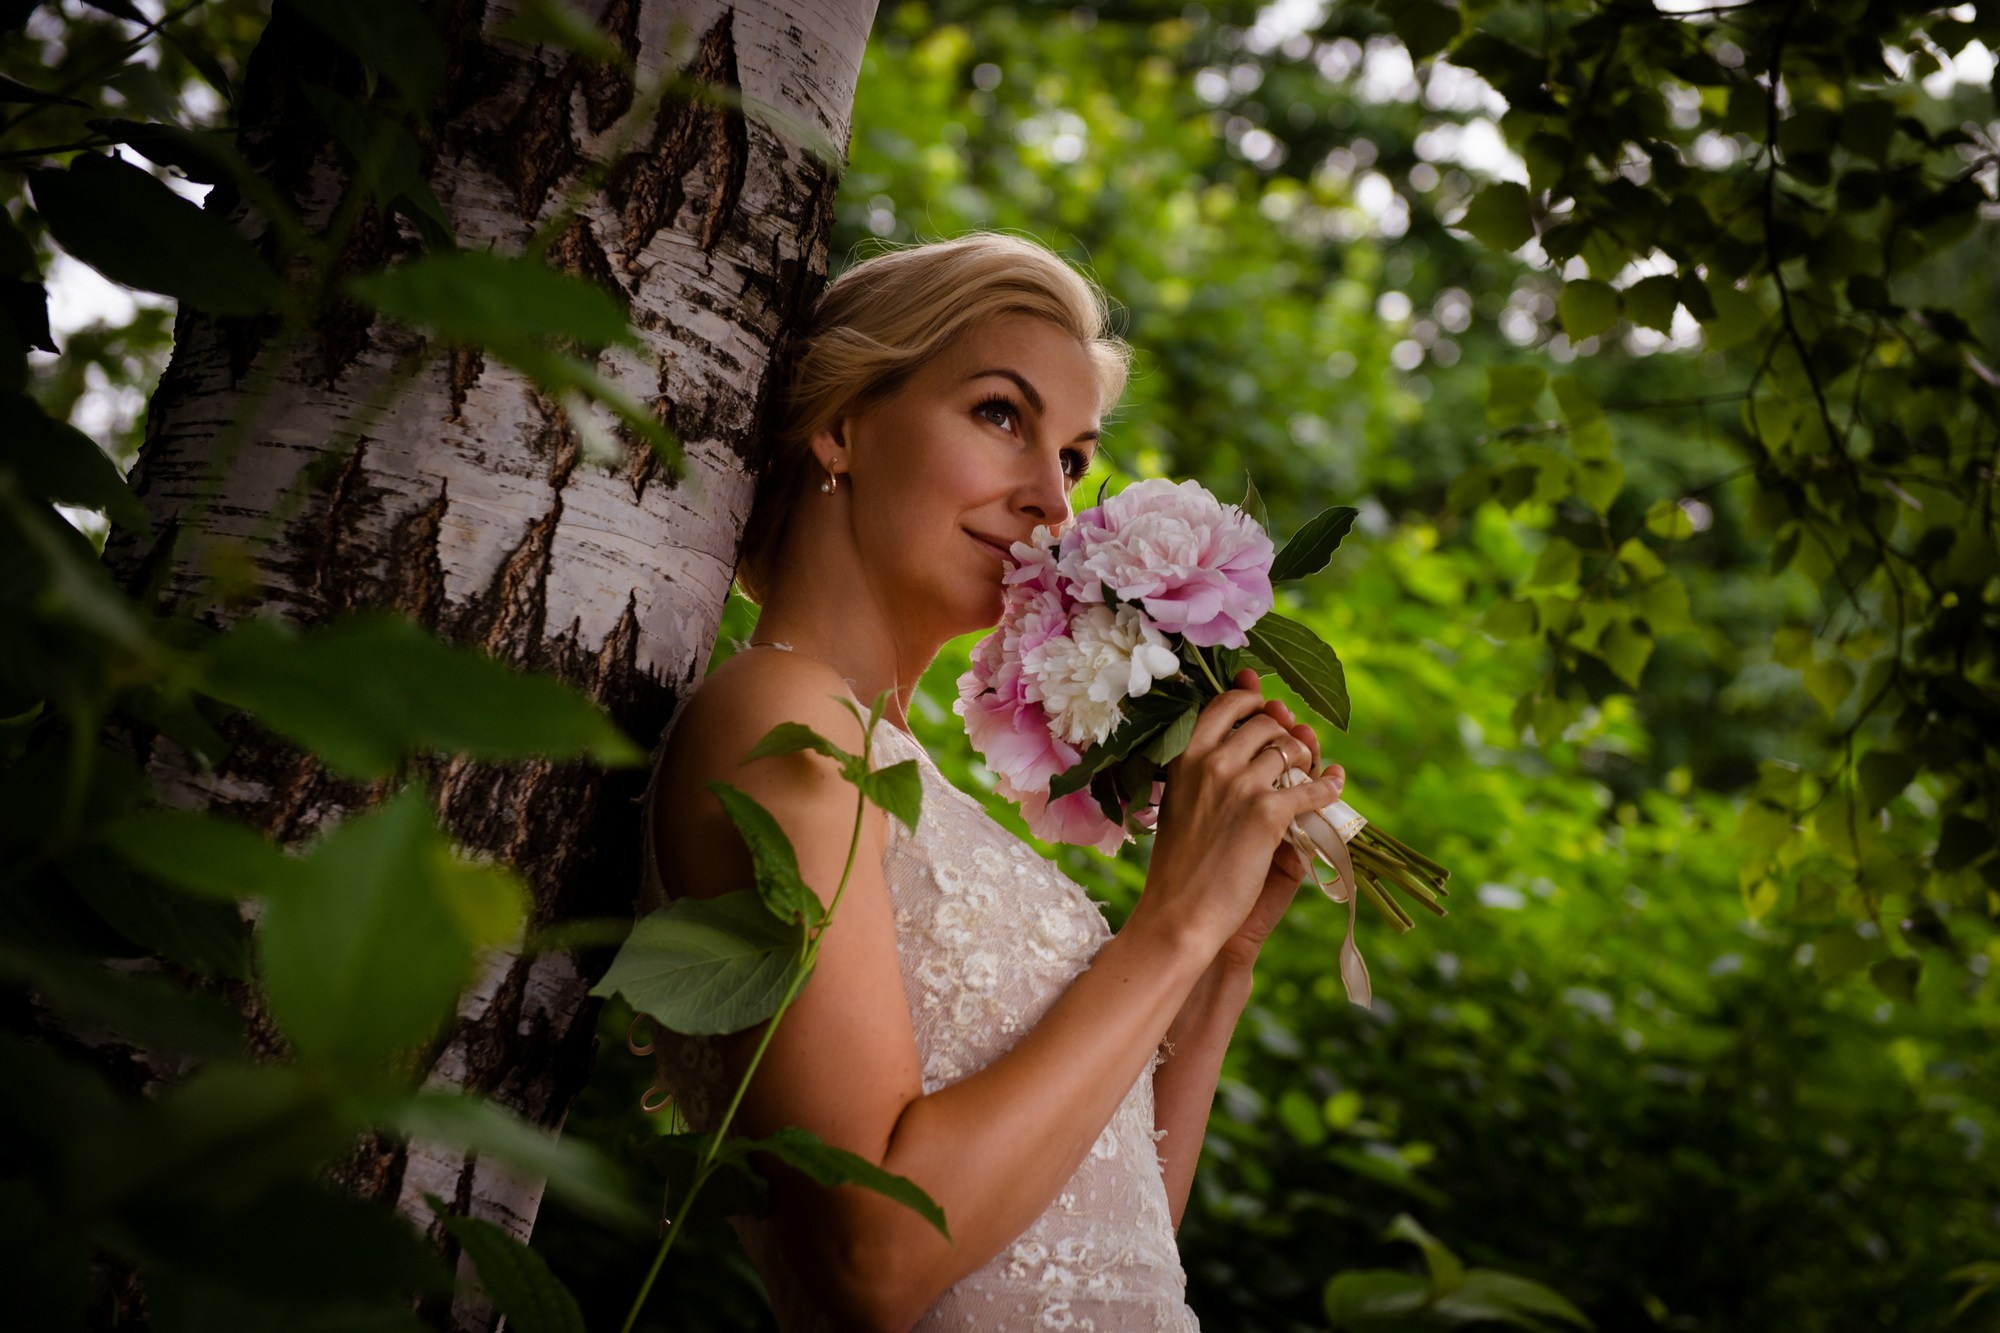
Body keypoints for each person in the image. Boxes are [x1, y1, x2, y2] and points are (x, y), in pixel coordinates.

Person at [644, 232, 1346, 1332]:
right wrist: (1166, 925)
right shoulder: (777, 721)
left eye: (1071, 455)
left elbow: (1106, 1246)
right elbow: (875, 1260)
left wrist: (1219, 953)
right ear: (839, 425)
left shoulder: (906, 776)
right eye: (999, 414)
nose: (1050, 506)